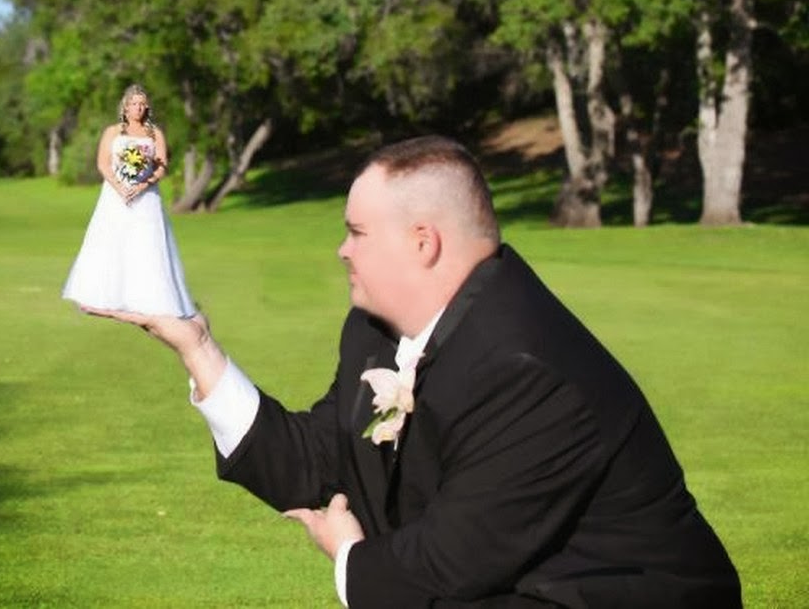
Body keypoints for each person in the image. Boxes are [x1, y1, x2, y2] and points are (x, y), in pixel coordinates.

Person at [85, 136, 741, 607]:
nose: (341, 249)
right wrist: (198, 348)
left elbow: (449, 564)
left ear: (422, 242)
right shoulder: (376, 332)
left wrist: (349, 557)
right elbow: (317, 459)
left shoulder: (524, 368)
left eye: (357, 232)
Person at [62, 84, 195, 317]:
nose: (138, 108)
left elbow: (161, 166)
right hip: (115, 195)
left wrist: (143, 184)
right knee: (111, 239)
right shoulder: (113, 132)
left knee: (146, 243)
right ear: (125, 107)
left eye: (142, 104)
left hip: (146, 197)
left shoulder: (154, 133)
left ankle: (151, 300)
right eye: (134, 104)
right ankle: (106, 296)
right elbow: (103, 163)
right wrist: (120, 187)